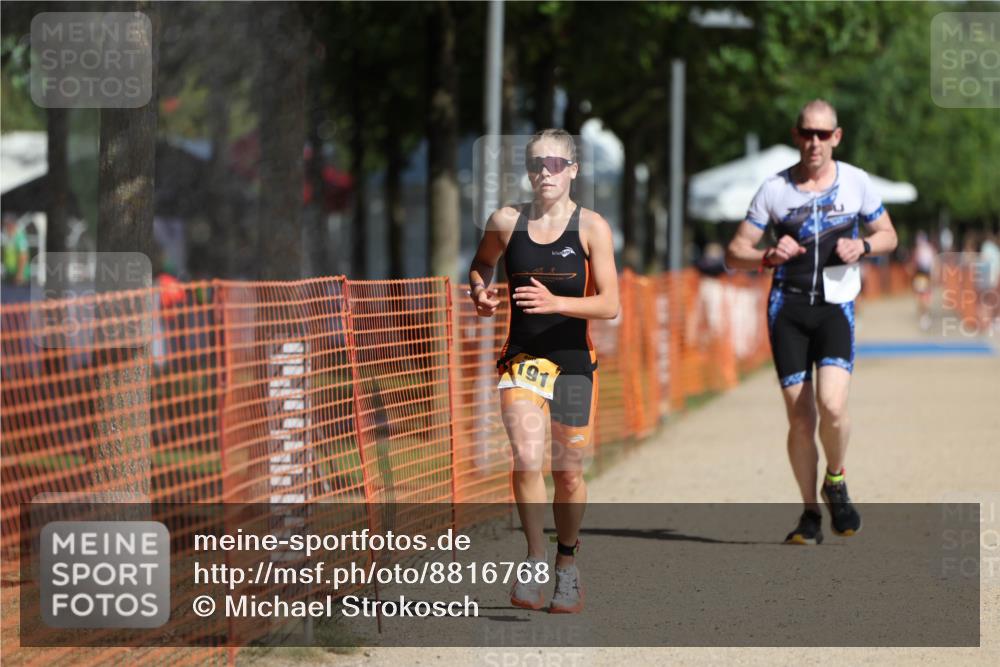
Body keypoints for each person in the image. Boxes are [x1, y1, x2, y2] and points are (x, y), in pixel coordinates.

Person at [725, 100, 898, 545]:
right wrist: (765, 255)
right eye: (808, 133)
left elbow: (889, 236)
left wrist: (863, 245)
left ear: (837, 137)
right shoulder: (774, 189)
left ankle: (835, 480)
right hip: (789, 309)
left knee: (833, 407)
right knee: (801, 420)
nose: (815, 142)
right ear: (796, 135)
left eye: (824, 134)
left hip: (836, 305)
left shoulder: (856, 183)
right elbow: (734, 251)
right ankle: (809, 513)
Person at [468, 129, 619, 612]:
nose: (545, 172)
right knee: (527, 456)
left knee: (568, 472)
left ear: (573, 170)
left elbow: (610, 303)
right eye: (537, 164)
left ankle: (567, 564)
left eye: (556, 163)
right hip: (523, 359)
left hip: (574, 362)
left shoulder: (592, 227)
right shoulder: (506, 221)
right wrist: (480, 292)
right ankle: (535, 557)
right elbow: (480, 265)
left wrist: (557, 302)